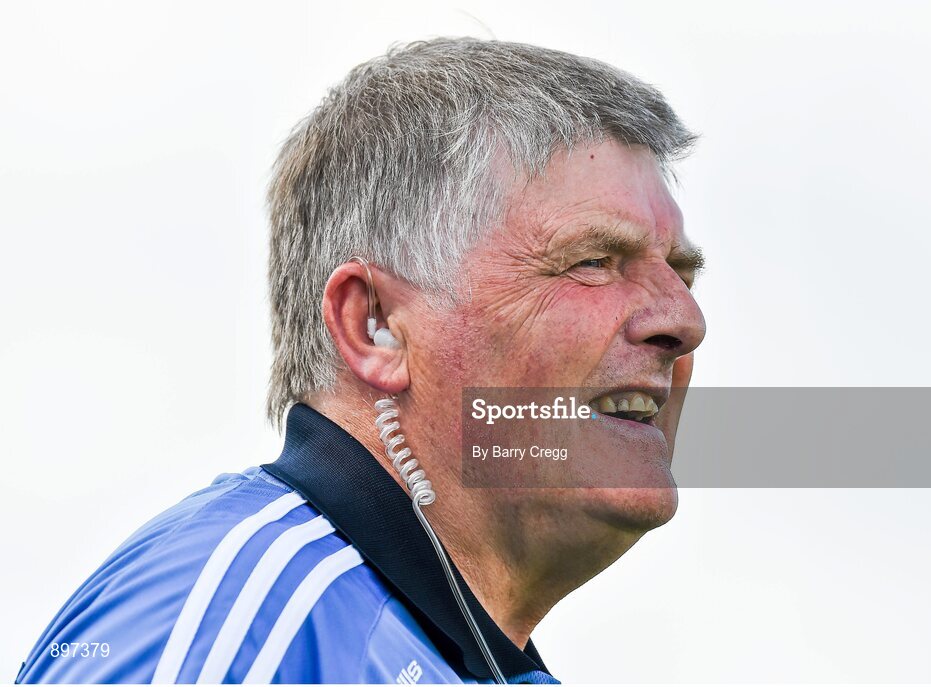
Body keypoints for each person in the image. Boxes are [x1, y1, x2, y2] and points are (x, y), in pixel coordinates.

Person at [17, 36, 705, 684]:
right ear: (374, 327)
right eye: (592, 262)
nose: (684, 321)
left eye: (681, 272)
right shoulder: (242, 628)